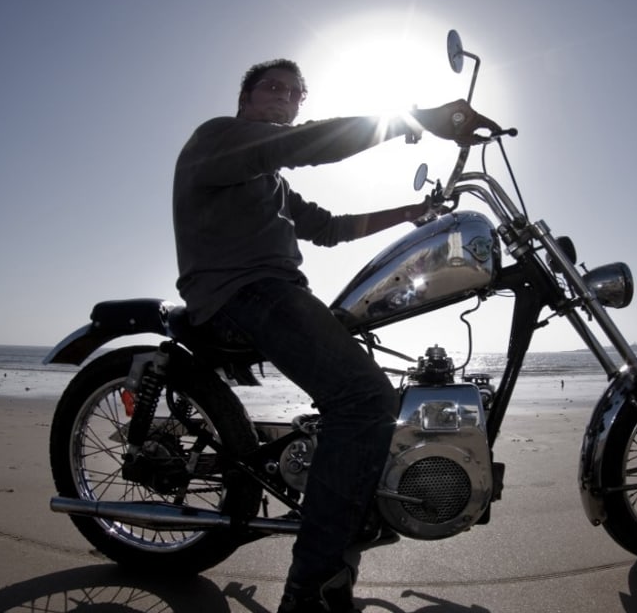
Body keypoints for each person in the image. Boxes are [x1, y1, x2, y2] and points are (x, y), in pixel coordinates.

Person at [173, 58, 500, 613]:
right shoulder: (220, 139)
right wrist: (410, 118)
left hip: (274, 291)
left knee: (366, 359)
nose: (284, 97)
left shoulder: (265, 180)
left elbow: (328, 228)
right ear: (245, 100)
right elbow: (301, 145)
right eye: (271, 88)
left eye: (295, 92)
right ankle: (312, 590)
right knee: (365, 400)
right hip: (241, 293)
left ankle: (351, 495)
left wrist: (410, 213)